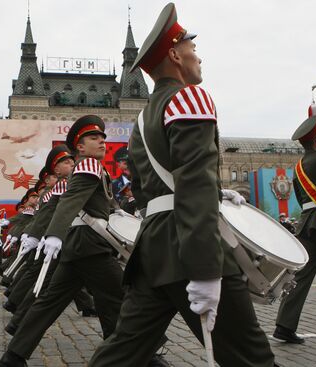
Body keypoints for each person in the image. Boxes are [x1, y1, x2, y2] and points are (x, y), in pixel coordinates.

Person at [88, 4, 275, 366]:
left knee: (122, 354)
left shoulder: (143, 117)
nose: (198, 56)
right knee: (252, 358)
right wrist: (205, 269)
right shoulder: (188, 98)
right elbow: (192, 180)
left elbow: (148, 191)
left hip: (154, 249)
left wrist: (210, 193)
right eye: (192, 48)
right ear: (174, 54)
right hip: (191, 248)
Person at [0, 115, 126, 366]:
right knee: (122, 296)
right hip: (90, 247)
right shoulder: (89, 165)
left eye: (102, 137)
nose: (101, 141)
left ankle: (13, 357)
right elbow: (70, 200)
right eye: (93, 138)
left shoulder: (93, 168)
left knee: (49, 302)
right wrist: (54, 234)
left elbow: (97, 202)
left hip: (78, 247)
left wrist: (116, 210)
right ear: (79, 147)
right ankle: (144, 353)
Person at [274, 115, 316, 343]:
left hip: (308, 225)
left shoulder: (298, 168)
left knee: (300, 279)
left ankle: (284, 326)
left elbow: (300, 201)